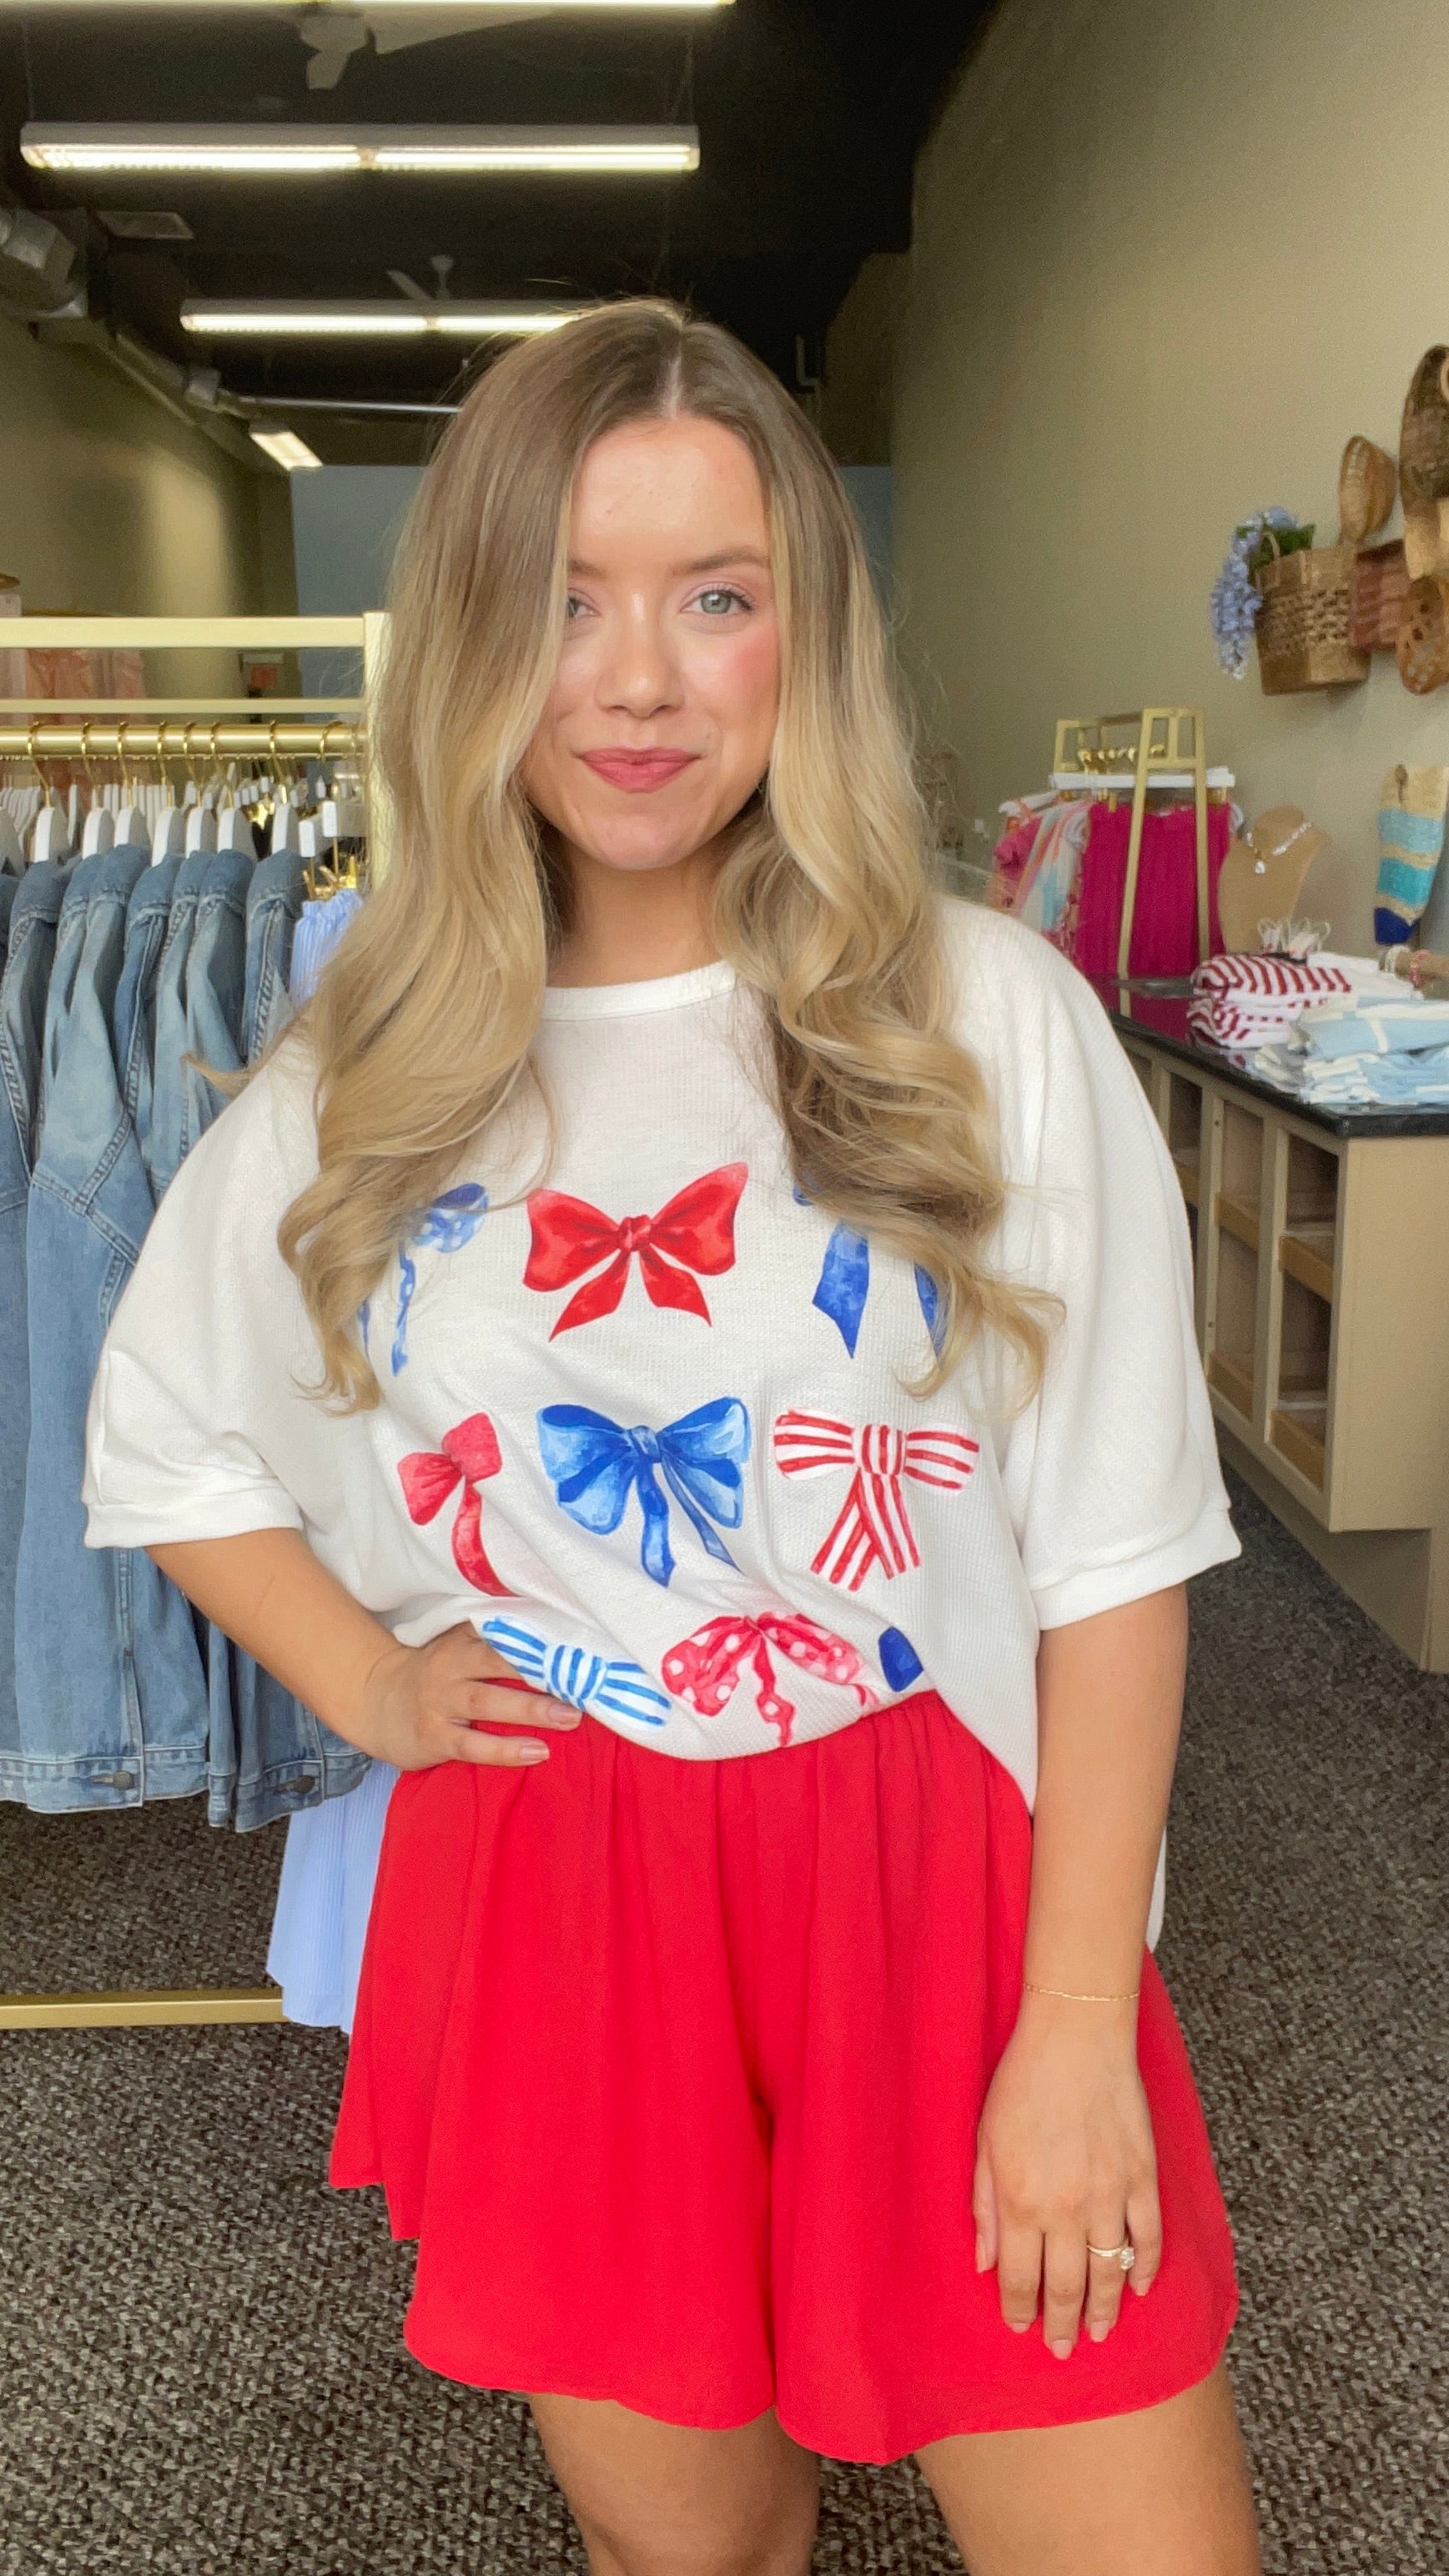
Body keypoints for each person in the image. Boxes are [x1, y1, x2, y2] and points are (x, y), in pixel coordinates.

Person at [83, 299, 1261, 2576]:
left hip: (934, 1873)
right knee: (683, 2551)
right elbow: (164, 1442)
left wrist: (1073, 2024)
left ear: (800, 641)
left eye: (713, 598)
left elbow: (1114, 1550)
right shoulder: (376, 1065)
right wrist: (365, 1682)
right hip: (558, 1885)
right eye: (564, 602)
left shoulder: (974, 1017)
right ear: (470, 652)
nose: (636, 682)